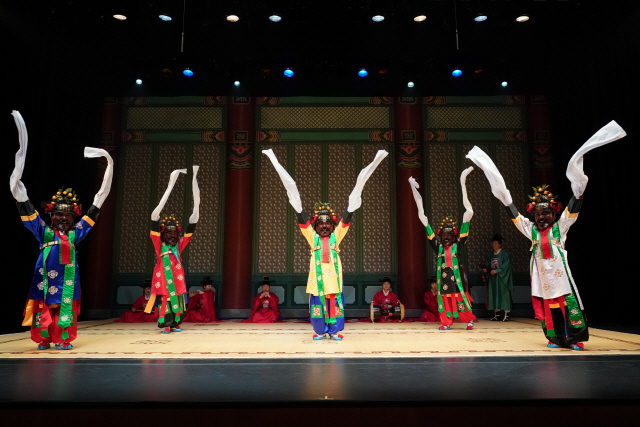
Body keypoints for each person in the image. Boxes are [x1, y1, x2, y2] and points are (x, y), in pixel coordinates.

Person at [466, 121, 626, 350]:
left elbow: (573, 209)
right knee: (550, 308)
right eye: (538, 214)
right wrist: (504, 196)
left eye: (546, 214)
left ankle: (575, 338)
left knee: (567, 304)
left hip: (560, 276)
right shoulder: (530, 229)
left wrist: (578, 194)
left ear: (554, 214)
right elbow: (513, 212)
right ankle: (556, 338)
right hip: (543, 278)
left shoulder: (559, 228)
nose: (541, 218)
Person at [10, 111, 113, 350]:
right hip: (44, 274)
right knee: (42, 304)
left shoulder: (77, 233)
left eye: (66, 215)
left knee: (65, 305)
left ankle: (63, 338)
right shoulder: (43, 231)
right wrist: (17, 183)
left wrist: (108, 166)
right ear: (50, 215)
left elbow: (96, 205)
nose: (61, 218)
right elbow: (24, 204)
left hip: (68, 276)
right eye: (57, 214)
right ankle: (44, 337)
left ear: (73, 216)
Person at [263, 148, 388, 341]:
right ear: (315, 225)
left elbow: (348, 215)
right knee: (317, 306)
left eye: (328, 222)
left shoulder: (337, 235)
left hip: (334, 280)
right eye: (320, 223)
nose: (324, 225)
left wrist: (354, 198)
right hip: (317, 280)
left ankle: (334, 331)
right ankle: (321, 331)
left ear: (333, 224)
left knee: (334, 304)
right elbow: (300, 214)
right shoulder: (311, 236)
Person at [409, 167, 476, 331]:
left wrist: (463, 182)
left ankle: (468, 320)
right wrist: (414, 192)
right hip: (444, 279)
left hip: (456, 278)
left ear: (454, 236)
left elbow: (468, 217)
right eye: (443, 235)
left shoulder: (458, 245)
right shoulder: (438, 247)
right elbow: (424, 222)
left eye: (449, 235)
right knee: (445, 300)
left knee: (460, 299)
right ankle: (446, 322)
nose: (446, 237)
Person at [144, 167, 201, 334]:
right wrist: (169, 188)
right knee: (166, 300)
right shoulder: (159, 245)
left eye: (175, 233)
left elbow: (192, 226)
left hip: (177, 278)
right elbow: (154, 219)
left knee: (179, 300)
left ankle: (176, 323)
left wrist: (196, 207)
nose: (172, 236)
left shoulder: (179, 245)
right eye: (168, 233)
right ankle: (166, 324)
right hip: (164, 277)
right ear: (163, 234)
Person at [482, 234, 514, 321]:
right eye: (493, 243)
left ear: (500, 244)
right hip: (493, 278)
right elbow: (488, 264)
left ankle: (506, 314)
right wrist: (486, 269)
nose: (493, 244)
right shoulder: (491, 255)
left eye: (495, 243)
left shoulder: (504, 255)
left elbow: (506, 266)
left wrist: (497, 271)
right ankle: (497, 314)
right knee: (494, 294)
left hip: (502, 278)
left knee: (504, 294)